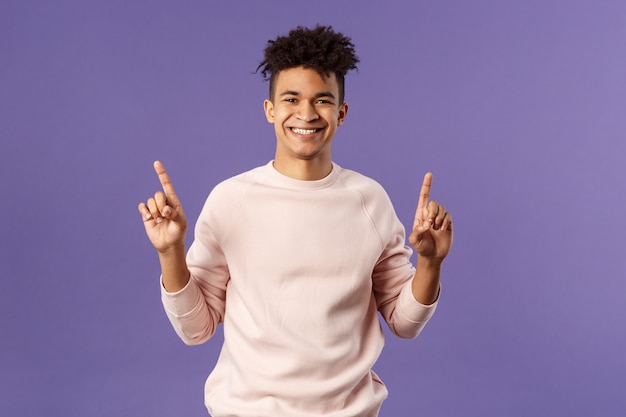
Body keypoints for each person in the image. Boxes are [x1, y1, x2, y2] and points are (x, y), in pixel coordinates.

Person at [138, 25, 452, 417]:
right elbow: (196, 329)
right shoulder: (231, 200)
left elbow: (404, 323)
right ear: (270, 110)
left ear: (342, 112)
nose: (306, 114)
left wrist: (431, 263)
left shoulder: (369, 200)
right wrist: (170, 252)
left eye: (322, 100)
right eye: (291, 99)